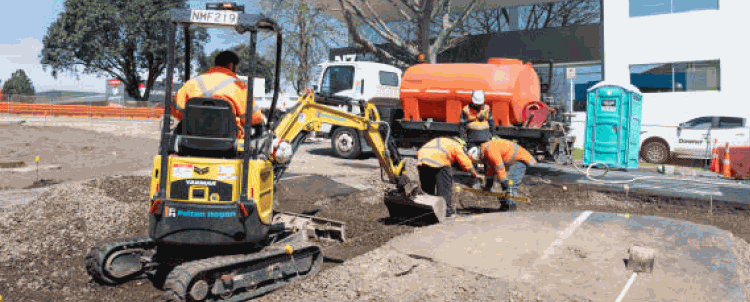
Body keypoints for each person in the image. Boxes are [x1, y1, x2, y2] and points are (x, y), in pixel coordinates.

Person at [172, 51, 265, 139]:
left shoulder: (192, 82)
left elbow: (177, 110)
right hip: (228, 142)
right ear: (230, 65)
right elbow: (254, 119)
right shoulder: (240, 87)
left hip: (190, 139)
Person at [417, 136, 483, 218]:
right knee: (445, 186)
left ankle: (427, 211)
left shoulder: (440, 140)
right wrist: (476, 174)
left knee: (427, 187)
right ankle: (446, 211)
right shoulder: (456, 145)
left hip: (422, 159)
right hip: (438, 158)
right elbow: (465, 162)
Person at [468, 137, 536, 198]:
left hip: (521, 159)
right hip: (516, 160)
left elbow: (499, 168)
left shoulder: (490, 151)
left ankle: (510, 207)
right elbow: (490, 169)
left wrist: (504, 183)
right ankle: (506, 205)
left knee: (510, 183)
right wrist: (489, 184)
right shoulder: (486, 151)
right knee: (507, 184)